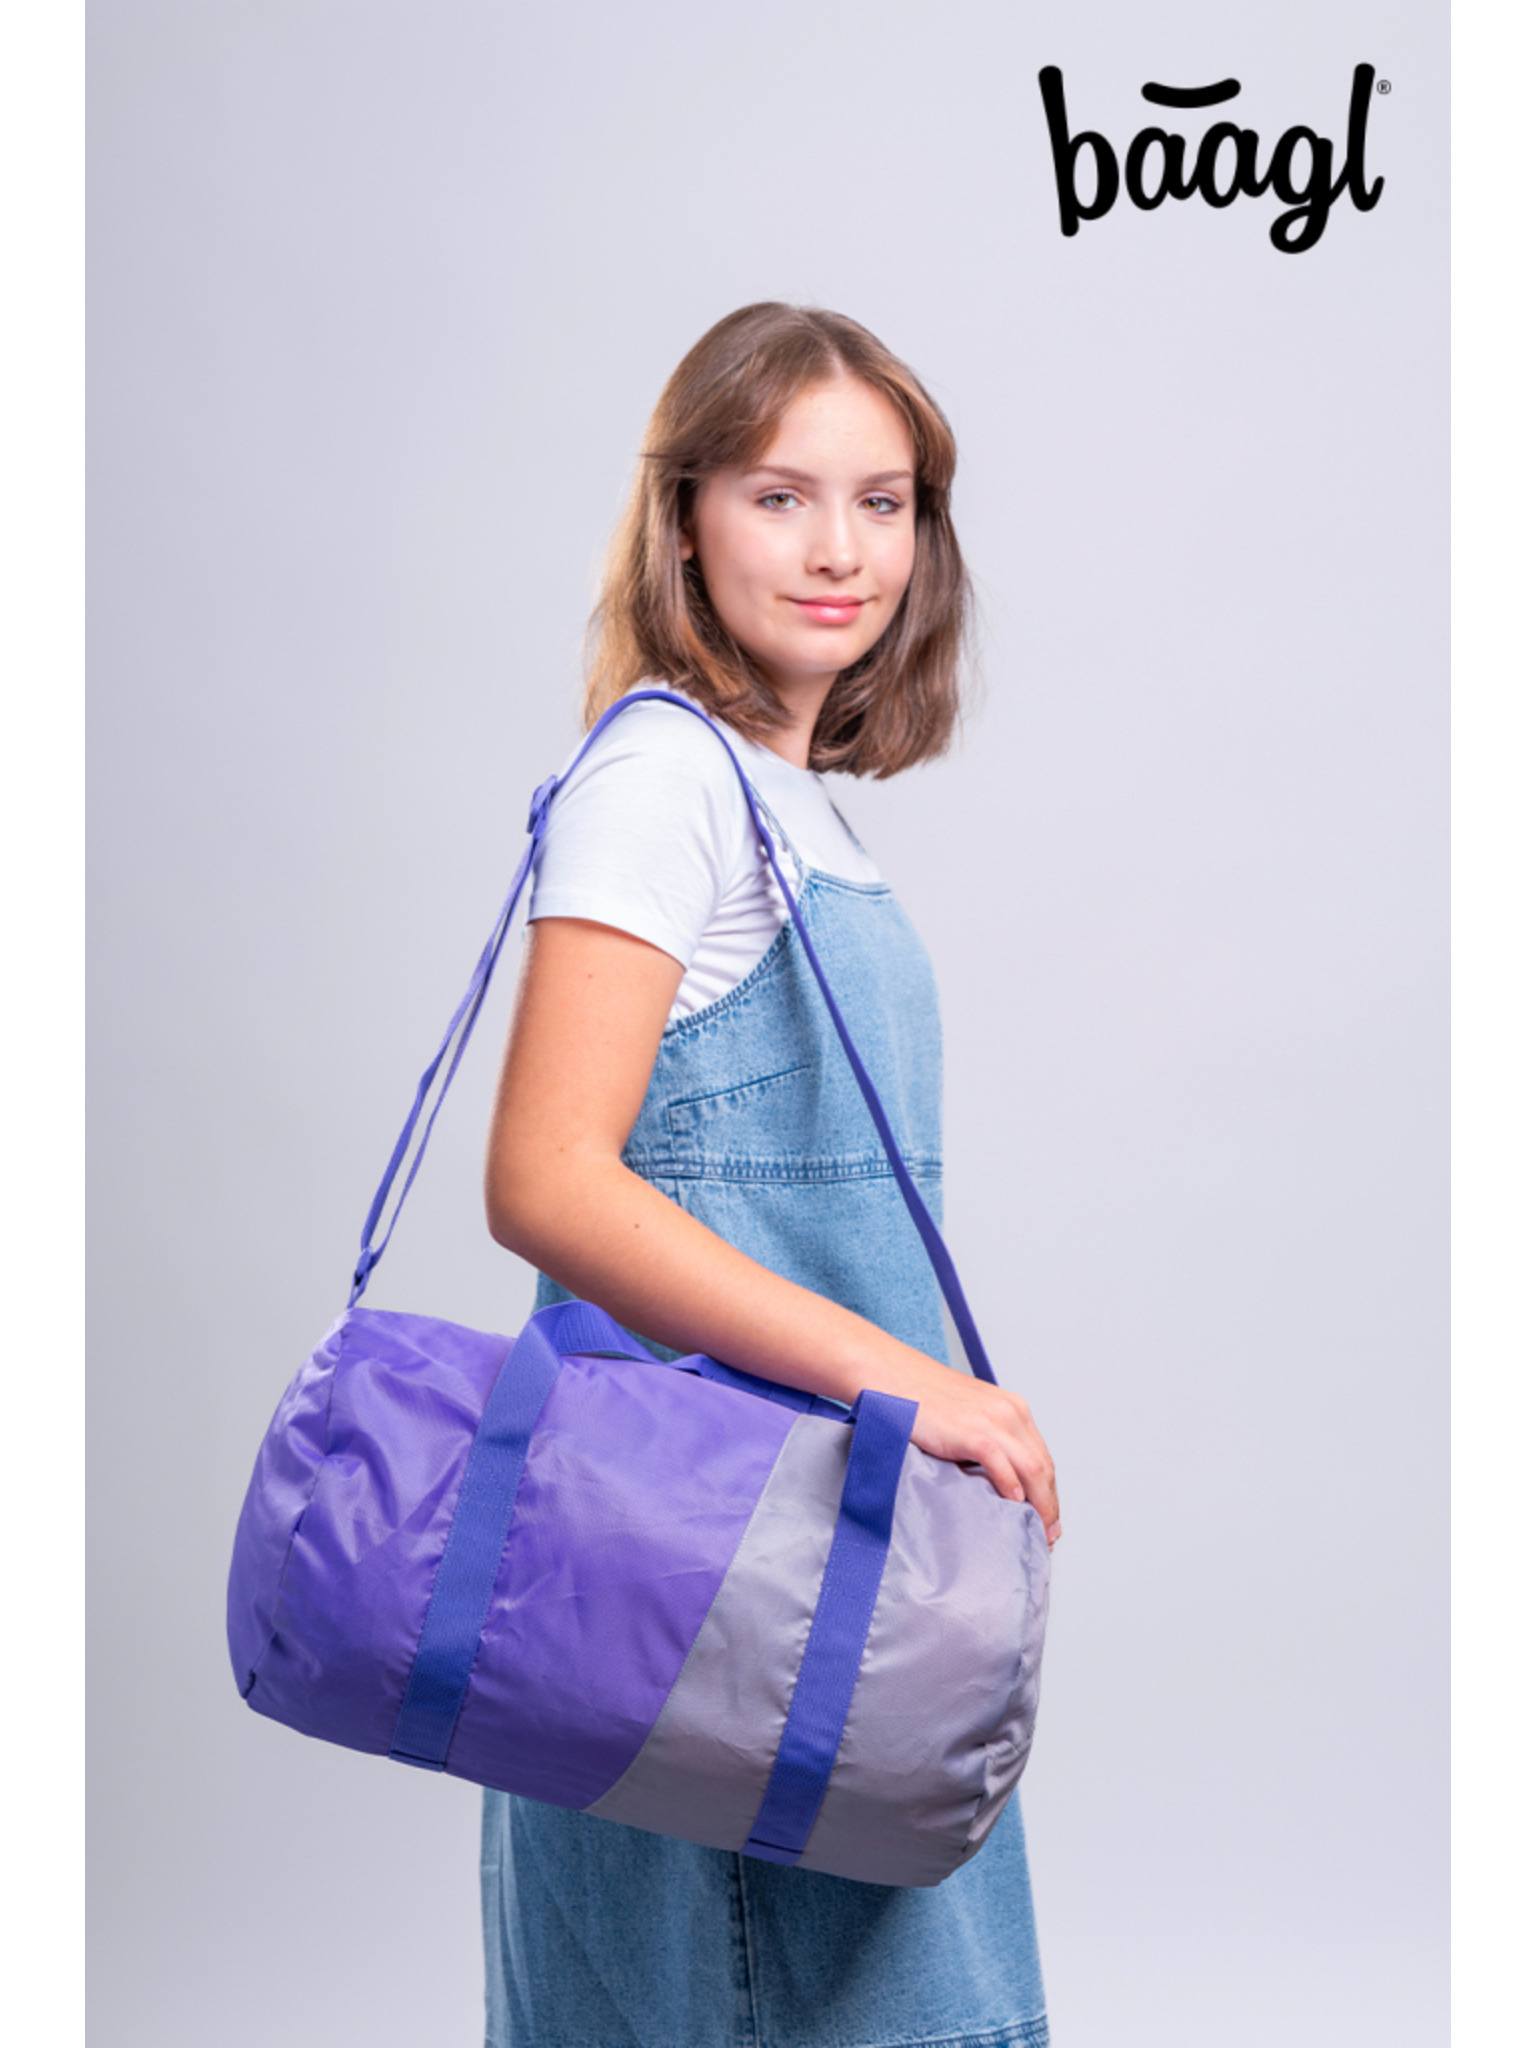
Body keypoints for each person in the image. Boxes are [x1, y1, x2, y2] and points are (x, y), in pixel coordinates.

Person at [481, 302, 1059, 2048]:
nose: (839, 552)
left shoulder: (776, 794)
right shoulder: (660, 777)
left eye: (883, 503)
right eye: (779, 495)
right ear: (682, 523)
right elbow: (546, 1179)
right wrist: (911, 1384)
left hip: (819, 1571)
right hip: (706, 1578)